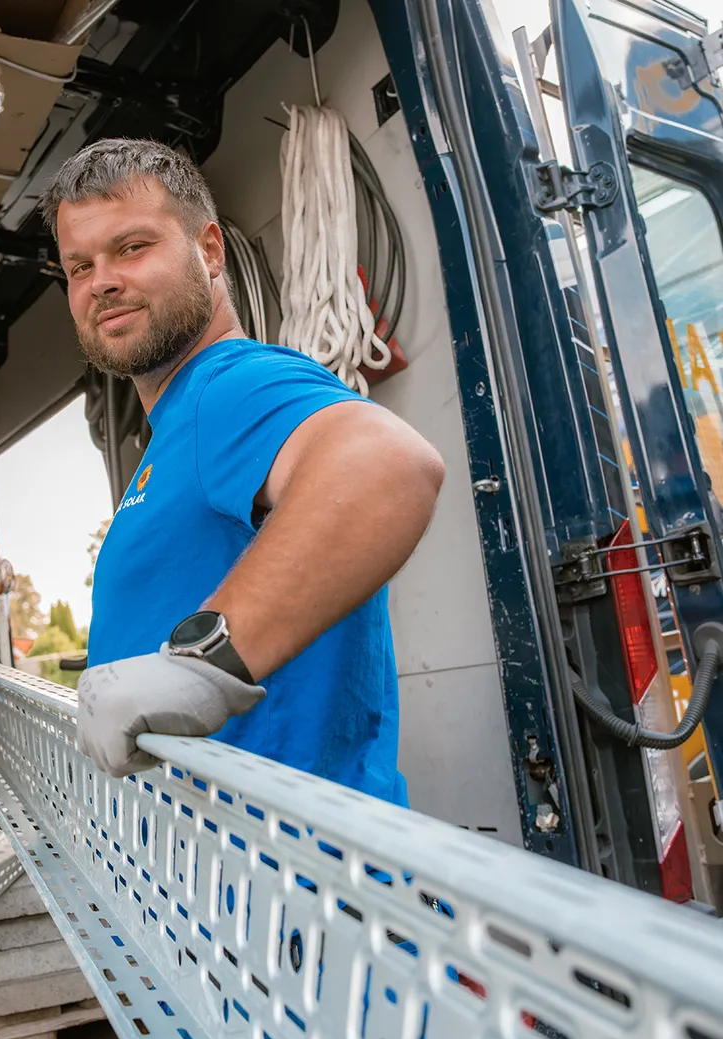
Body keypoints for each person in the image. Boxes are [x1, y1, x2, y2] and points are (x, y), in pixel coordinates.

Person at [38, 137, 444, 801]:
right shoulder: (175, 435)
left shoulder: (228, 386)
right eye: (79, 266)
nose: (102, 281)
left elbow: (389, 466)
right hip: (210, 883)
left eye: (132, 247)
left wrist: (202, 668)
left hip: (284, 886)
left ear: (209, 251)